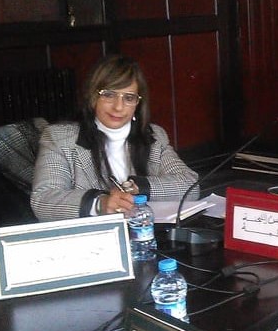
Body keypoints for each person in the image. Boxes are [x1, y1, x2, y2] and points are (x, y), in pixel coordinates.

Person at [31, 54, 199, 222]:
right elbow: (43, 201)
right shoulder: (60, 139)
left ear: (138, 103)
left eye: (129, 98)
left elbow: (190, 186)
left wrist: (137, 188)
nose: (118, 107)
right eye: (109, 95)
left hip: (145, 231)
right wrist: (100, 204)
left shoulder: (153, 137)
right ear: (93, 96)